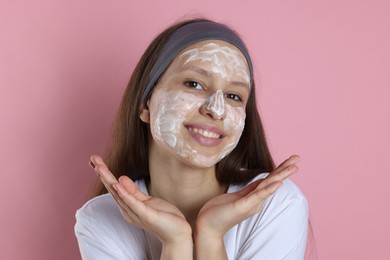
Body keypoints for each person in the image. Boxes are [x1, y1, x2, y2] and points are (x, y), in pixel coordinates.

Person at [75, 18, 308, 259]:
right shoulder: (102, 218)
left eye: (234, 96)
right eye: (194, 84)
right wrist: (175, 242)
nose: (216, 109)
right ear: (145, 104)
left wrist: (211, 234)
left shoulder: (276, 204)